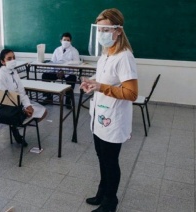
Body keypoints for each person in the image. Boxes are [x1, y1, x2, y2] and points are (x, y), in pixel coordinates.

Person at [80, 8, 138, 212]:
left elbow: (131, 93)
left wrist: (101, 87)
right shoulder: (107, 54)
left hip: (113, 119)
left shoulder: (124, 57)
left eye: (106, 30)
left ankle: (110, 202)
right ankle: (102, 192)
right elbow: (105, 81)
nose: (102, 34)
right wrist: (92, 82)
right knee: (101, 157)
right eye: (99, 30)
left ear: (118, 30)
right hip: (99, 115)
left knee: (110, 161)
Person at [0, 49, 47, 147]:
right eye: (9, 58)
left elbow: (21, 91)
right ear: (2, 61)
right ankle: (16, 127)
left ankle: (15, 127)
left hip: (16, 105)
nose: (12, 60)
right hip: (3, 109)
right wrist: (23, 109)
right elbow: (4, 100)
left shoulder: (13, 71)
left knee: (43, 112)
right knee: (31, 115)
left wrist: (27, 105)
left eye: (13, 58)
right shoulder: (0, 76)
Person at [42, 32, 80, 109]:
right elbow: (53, 62)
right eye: (64, 39)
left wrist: (66, 68)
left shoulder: (74, 50)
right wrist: (57, 71)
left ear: (71, 41)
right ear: (61, 40)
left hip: (68, 72)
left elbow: (77, 62)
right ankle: (48, 97)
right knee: (45, 75)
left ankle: (68, 100)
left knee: (72, 78)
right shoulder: (57, 50)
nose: (66, 41)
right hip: (57, 71)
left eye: (68, 40)